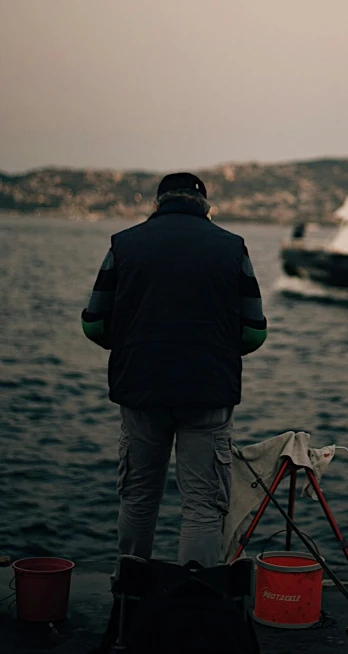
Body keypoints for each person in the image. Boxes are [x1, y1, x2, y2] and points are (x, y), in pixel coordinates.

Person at [81, 172, 267, 570]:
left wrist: (132, 346)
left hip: (140, 388)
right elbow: (254, 332)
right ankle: (194, 599)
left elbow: (94, 324)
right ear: (207, 207)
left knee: (138, 495)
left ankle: (129, 597)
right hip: (208, 391)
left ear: (157, 204)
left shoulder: (124, 244)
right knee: (202, 503)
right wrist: (219, 351)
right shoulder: (233, 248)